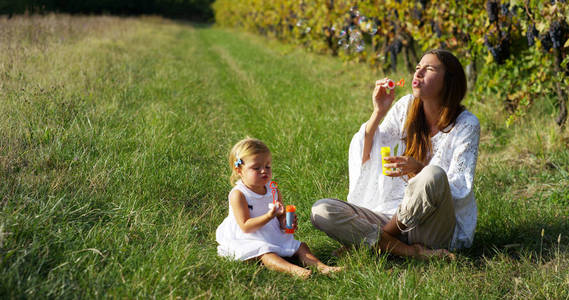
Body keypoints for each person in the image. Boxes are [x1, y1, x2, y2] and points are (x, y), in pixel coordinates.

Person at [311, 49, 480, 259]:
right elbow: (369, 151)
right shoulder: (406, 106)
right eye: (418, 68)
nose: (418, 74)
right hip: (390, 213)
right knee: (322, 210)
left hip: (432, 227)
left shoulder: (467, 124)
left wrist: (419, 169)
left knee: (433, 175)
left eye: (428, 69)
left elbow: (458, 186)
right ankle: (409, 251)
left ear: (449, 81)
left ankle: (378, 240)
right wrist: (378, 112)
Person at [216, 138, 343, 278]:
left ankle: (322, 267)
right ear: (239, 170)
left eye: (267, 166)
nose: (264, 171)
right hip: (248, 237)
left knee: (301, 246)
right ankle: (294, 270)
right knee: (266, 253)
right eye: (256, 168)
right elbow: (246, 226)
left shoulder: (272, 189)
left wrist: (285, 222)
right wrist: (268, 216)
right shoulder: (239, 194)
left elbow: (280, 215)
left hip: (270, 231)